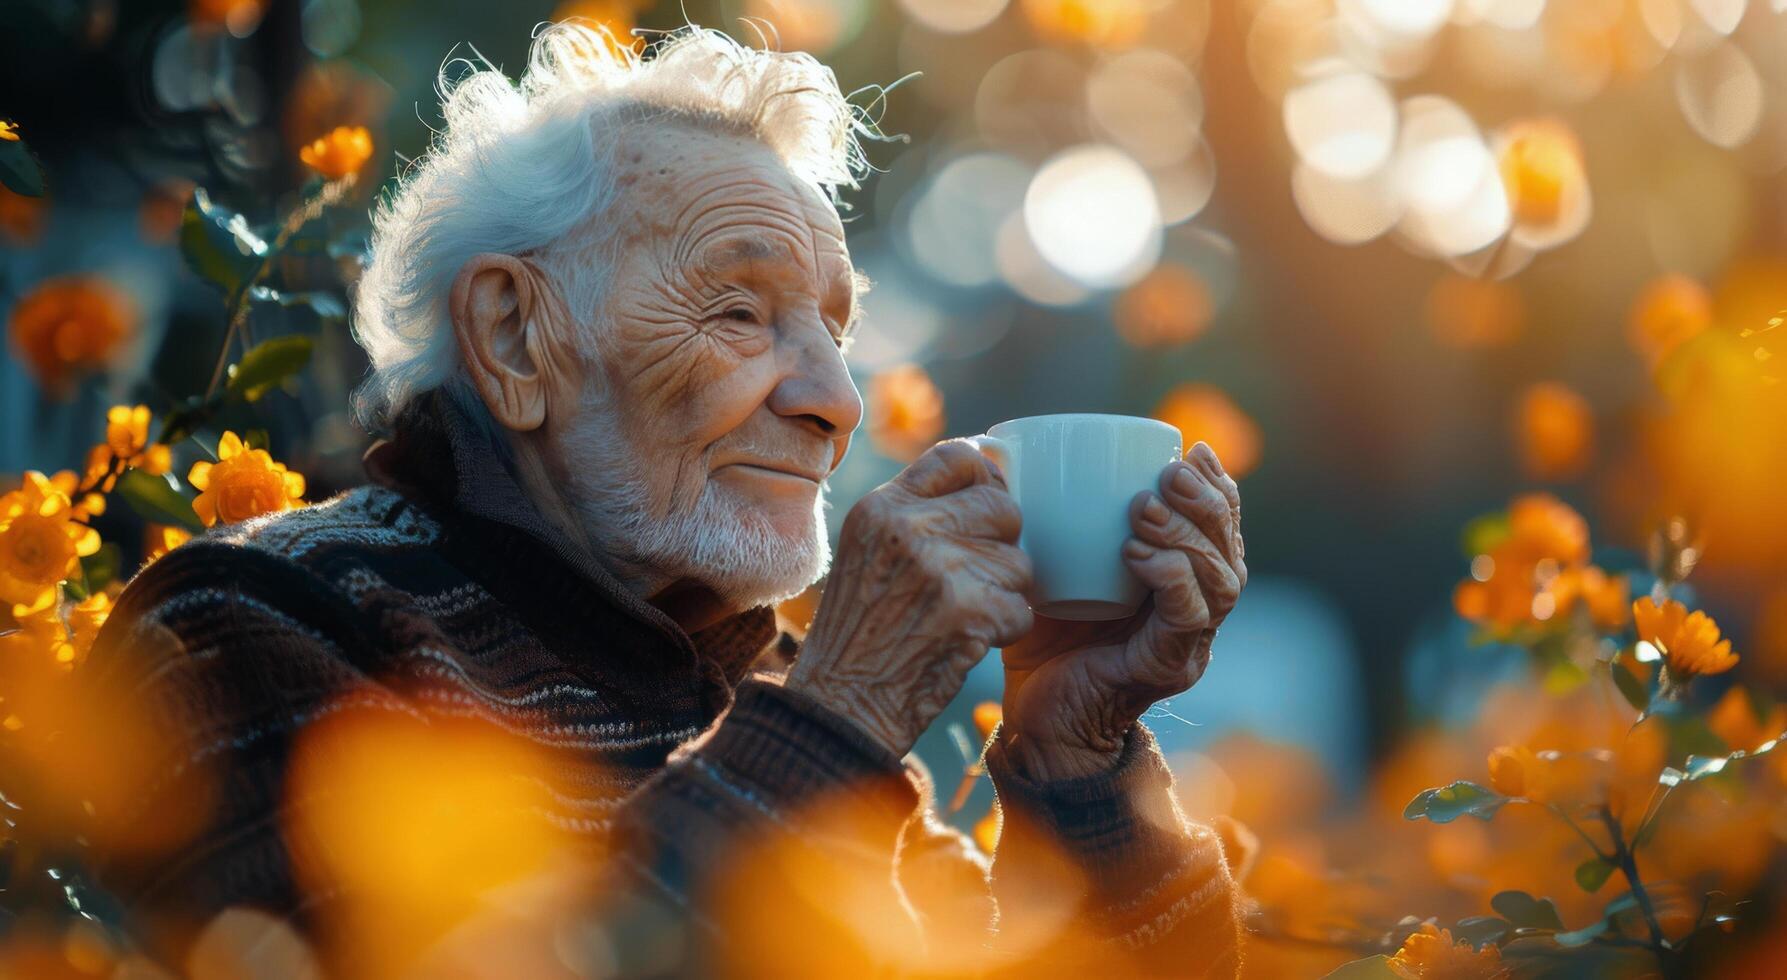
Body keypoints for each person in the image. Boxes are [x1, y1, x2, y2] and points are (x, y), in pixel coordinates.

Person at [88, 23, 1249, 978]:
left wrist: (1074, 759)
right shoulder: (256, 621)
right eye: (740, 312)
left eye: (836, 332)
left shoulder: (762, 687)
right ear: (514, 335)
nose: (837, 401)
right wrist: (832, 722)